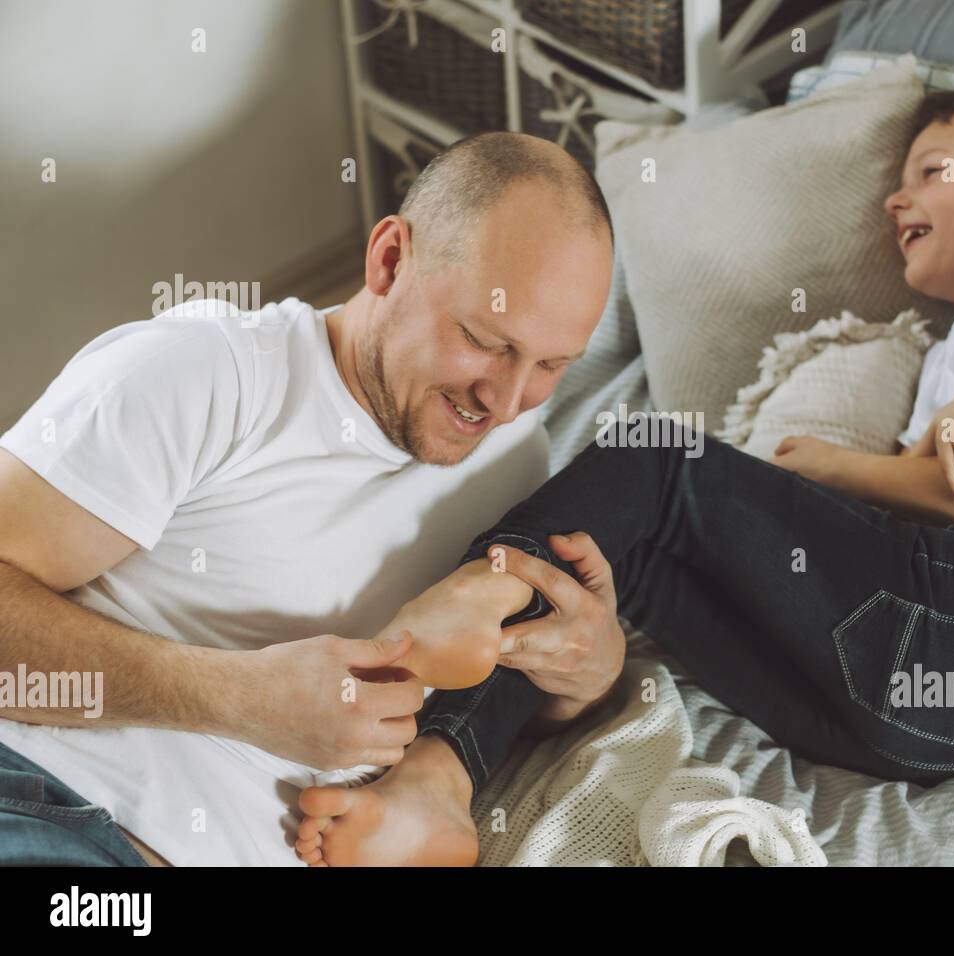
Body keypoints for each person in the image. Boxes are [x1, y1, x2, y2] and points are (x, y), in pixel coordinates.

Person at [293, 87, 954, 866]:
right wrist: (934, 437)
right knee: (614, 569)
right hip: (938, 719)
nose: (898, 198)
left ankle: (468, 602)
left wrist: (843, 469)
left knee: (650, 457)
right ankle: (441, 779)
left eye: (934, 170)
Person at [0, 132, 625, 866]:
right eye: (485, 339)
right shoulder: (206, 374)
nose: (508, 399)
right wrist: (240, 698)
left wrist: (587, 679)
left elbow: (489, 696)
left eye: (551, 364)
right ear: (390, 261)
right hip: (54, 814)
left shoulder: (517, 460)